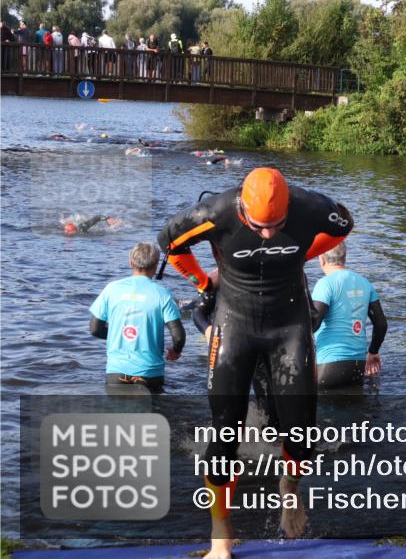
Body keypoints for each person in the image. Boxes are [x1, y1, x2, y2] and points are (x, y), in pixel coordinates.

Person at [157, 167, 353, 558]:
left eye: (276, 226)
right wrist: (201, 282)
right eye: (259, 226)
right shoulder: (215, 212)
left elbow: (344, 224)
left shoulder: (310, 206)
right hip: (235, 324)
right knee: (225, 433)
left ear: (288, 209)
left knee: (300, 434)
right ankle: (221, 534)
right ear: (242, 208)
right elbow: (169, 243)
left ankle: (289, 490)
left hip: (289, 325)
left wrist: (302, 252)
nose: (267, 234)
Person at [89, 243, 186, 393]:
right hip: (150, 375)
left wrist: (120, 335)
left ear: (131, 263)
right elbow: (178, 336)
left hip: (116, 373)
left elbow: (95, 329)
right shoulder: (162, 294)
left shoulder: (111, 289)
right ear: (156, 264)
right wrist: (176, 351)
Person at [311, 242, 387, 388]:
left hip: (327, 367)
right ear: (344, 257)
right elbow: (381, 324)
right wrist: (373, 352)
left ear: (322, 258)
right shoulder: (365, 283)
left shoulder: (325, 284)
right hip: (358, 368)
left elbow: (313, 323)